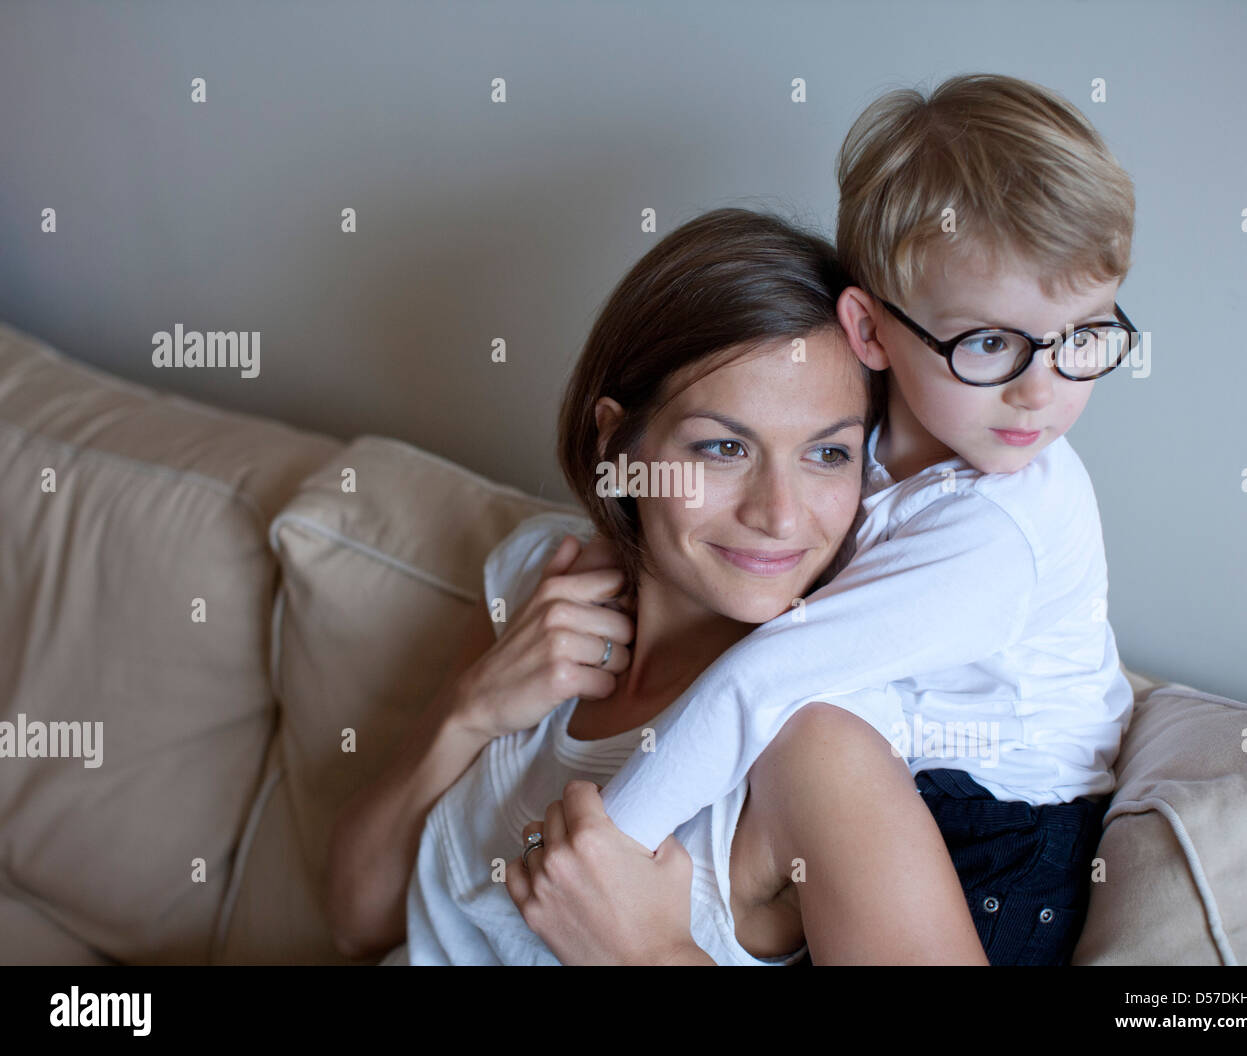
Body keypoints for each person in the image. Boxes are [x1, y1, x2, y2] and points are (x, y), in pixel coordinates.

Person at [512, 74, 1138, 967]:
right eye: (990, 343)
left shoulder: (1003, 525)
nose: (1044, 392)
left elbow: (767, 679)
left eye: (1084, 336)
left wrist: (606, 846)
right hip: (902, 796)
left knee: (801, 730)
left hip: (1007, 842)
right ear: (872, 332)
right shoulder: (852, 443)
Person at [324, 207, 989, 965]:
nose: (779, 515)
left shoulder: (818, 743)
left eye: (828, 455)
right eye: (724, 447)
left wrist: (643, 952)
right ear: (619, 442)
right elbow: (356, 920)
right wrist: (468, 712)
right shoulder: (545, 579)